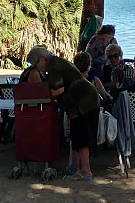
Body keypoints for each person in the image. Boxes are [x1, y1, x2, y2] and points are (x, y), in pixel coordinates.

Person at [25, 46, 99, 180]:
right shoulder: (56, 62)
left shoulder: (53, 67)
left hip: (84, 102)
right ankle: (75, 168)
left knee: (82, 137)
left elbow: (58, 90)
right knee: (77, 136)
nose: (35, 68)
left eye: (35, 64)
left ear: (42, 60)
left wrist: (43, 97)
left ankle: (85, 171)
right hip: (81, 102)